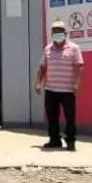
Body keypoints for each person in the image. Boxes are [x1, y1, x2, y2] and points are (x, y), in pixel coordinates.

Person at [35, 19, 85, 151]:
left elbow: (79, 66)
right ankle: (54, 140)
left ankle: (70, 141)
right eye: (54, 31)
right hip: (51, 89)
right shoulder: (47, 49)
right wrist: (38, 84)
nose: (57, 34)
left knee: (70, 118)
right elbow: (42, 67)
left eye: (59, 31)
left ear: (65, 33)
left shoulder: (74, 48)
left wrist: (77, 83)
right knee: (52, 117)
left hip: (67, 90)